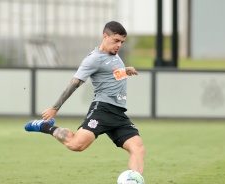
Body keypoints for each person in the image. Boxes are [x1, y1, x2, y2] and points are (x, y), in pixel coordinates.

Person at [25, 21, 145, 175]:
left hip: (118, 113)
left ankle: (135, 180)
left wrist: (126, 71)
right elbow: (74, 83)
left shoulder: (114, 55)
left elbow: (111, 74)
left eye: (122, 42)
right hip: (103, 109)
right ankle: (43, 126)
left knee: (138, 148)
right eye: (116, 41)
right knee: (77, 145)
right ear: (105, 36)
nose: (119, 45)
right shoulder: (93, 58)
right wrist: (55, 108)